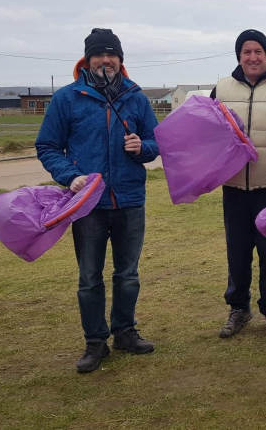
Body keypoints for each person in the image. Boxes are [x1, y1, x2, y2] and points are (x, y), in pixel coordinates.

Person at [36, 28, 159, 373]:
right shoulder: (67, 99)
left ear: (121, 60)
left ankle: (125, 331)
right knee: (89, 277)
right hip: (88, 205)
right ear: (87, 60)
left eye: (113, 55)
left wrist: (143, 148)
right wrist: (69, 176)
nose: (106, 60)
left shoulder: (136, 98)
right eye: (99, 55)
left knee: (128, 274)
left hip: (130, 200)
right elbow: (47, 146)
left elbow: (155, 141)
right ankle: (95, 342)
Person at [210, 29, 266, 340]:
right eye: (246, 51)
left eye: (258, 51)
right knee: (237, 249)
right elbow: (208, 134)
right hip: (234, 186)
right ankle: (238, 307)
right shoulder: (220, 89)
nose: (253, 57)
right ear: (238, 56)